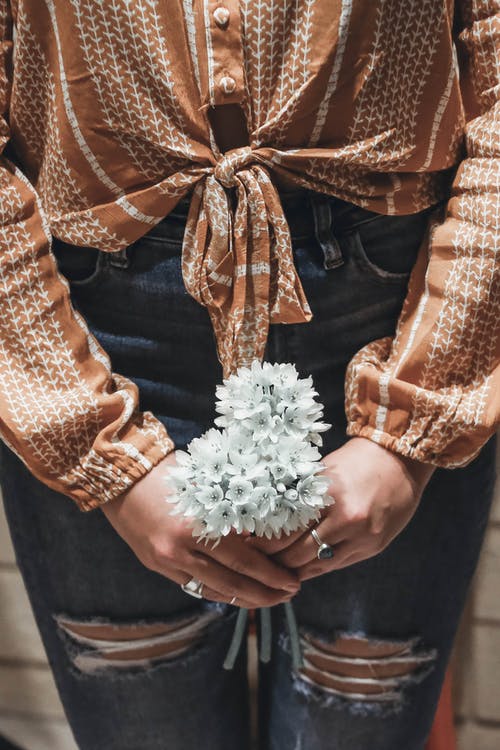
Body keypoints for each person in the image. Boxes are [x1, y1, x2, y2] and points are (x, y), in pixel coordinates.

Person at [0, 1, 498, 748]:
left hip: (396, 318)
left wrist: (412, 426)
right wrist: (94, 447)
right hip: (94, 329)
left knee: (360, 707)